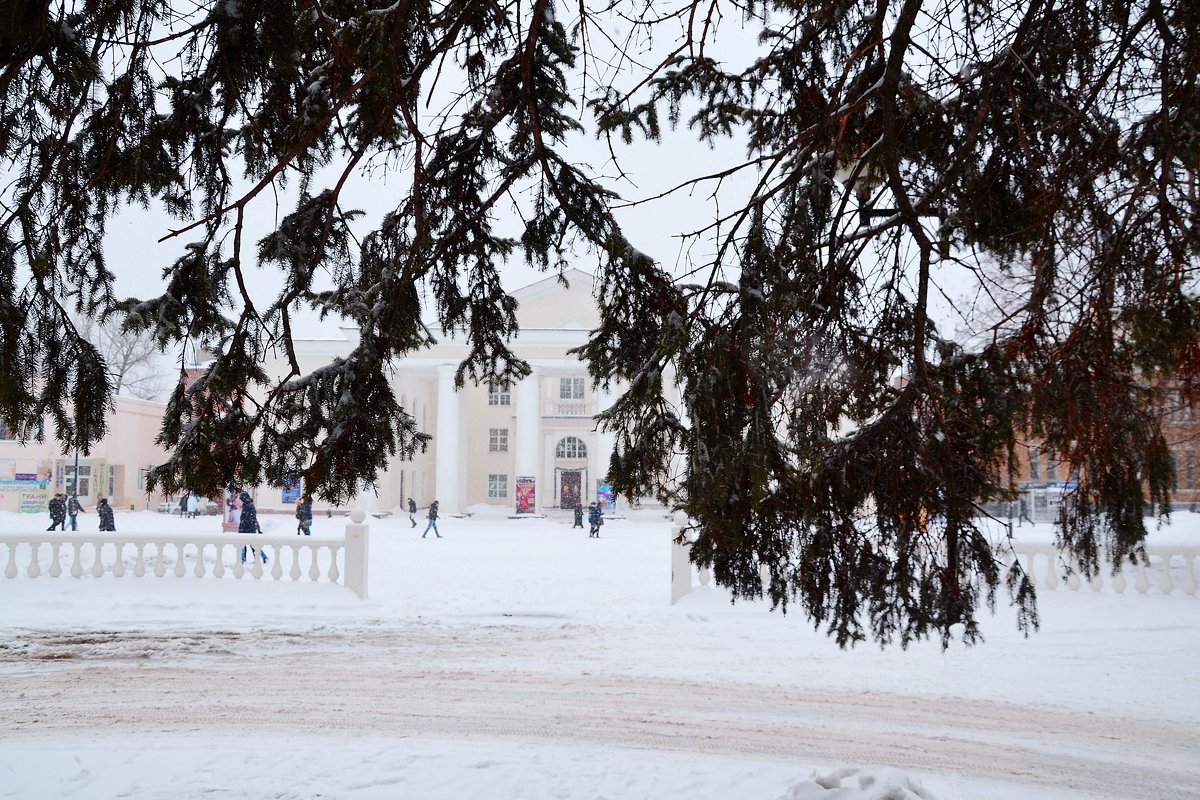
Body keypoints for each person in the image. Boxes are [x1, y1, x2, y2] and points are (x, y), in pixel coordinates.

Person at [238, 491, 268, 563]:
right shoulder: (249, 505)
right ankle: (263, 557)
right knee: (252, 545)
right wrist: (258, 528)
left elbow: (246, 519)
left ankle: (243, 559)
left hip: (247, 529)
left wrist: (241, 529)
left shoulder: (248, 506)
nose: (241, 501)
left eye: (242, 499)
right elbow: (253, 519)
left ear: (244, 499)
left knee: (246, 545)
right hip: (250, 529)